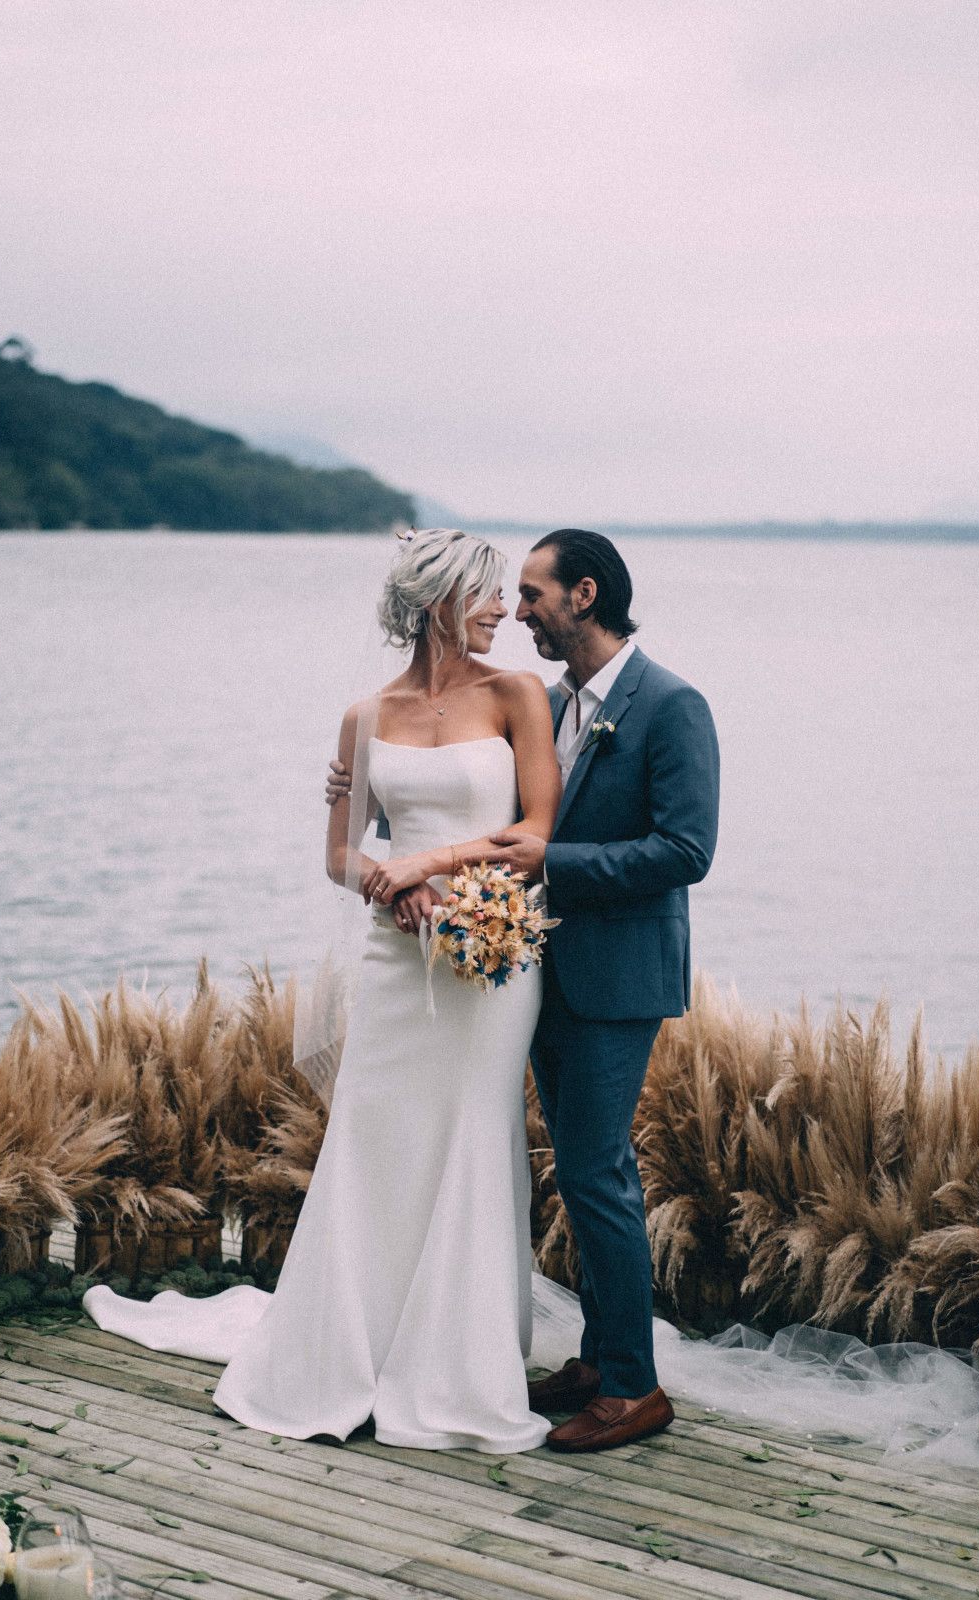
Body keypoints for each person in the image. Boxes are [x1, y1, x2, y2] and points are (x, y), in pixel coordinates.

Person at [85, 528, 561, 1453]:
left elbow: (535, 833)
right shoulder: (365, 716)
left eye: (507, 593)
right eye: (488, 594)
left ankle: (457, 1367)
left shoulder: (517, 695)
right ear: (438, 603)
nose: (504, 609)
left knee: (474, 1132)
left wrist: (428, 863)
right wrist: (392, 883)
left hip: (492, 962)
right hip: (395, 962)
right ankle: (343, 1352)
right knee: (377, 1141)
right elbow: (340, 855)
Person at [329, 528, 720, 1452]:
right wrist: (362, 796)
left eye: (534, 593)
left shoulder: (671, 706)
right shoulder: (537, 701)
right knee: (566, 1173)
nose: (518, 609)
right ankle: (595, 1357)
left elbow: (685, 852)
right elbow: (465, 797)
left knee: (595, 1172)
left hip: (616, 976)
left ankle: (631, 1389)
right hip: (516, 964)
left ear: (583, 595)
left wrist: (555, 860)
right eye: (507, 593)